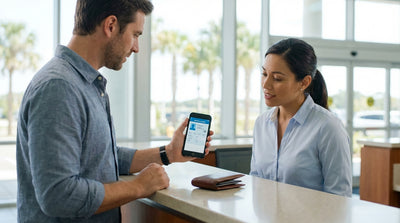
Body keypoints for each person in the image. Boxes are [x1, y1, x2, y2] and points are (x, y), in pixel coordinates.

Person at [16, 0, 213, 222]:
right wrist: (139, 187)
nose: (136, 47)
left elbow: (101, 156)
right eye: (136, 34)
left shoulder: (86, 84)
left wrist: (168, 153)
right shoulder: (59, 87)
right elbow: (59, 195)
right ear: (110, 25)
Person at [249, 38, 352, 197]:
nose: (266, 84)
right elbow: (256, 181)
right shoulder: (262, 123)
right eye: (264, 74)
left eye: (277, 78)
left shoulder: (328, 127)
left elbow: (339, 197)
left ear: (304, 82)